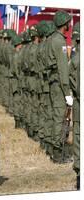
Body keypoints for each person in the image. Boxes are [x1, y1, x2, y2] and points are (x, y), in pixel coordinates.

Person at [46, 10, 72, 163]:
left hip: (53, 82)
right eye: (68, 22)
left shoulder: (52, 39)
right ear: (64, 24)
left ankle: (56, 150)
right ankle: (57, 154)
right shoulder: (59, 41)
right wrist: (67, 92)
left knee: (56, 117)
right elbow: (62, 69)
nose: (69, 24)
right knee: (59, 118)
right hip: (58, 84)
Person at [69, 22, 80, 190]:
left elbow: (72, 84)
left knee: (79, 139)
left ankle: (80, 175)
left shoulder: (75, 60)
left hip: (79, 105)